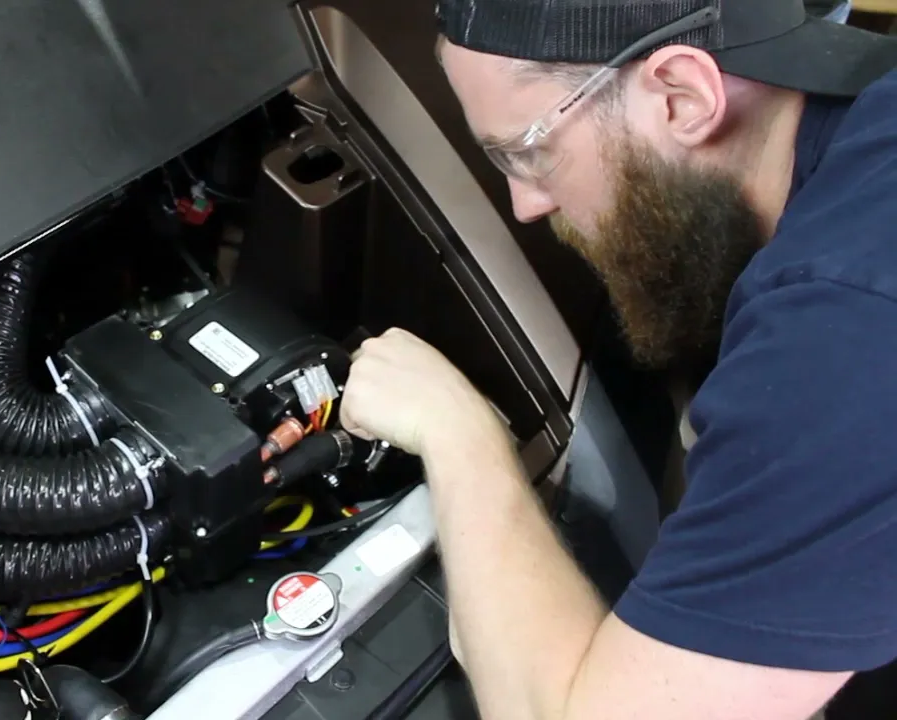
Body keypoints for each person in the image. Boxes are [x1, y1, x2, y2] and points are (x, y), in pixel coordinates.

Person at [338, 1, 897, 718]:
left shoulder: (845, 336)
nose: (524, 204)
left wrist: (459, 433)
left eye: (527, 153)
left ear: (682, 96)